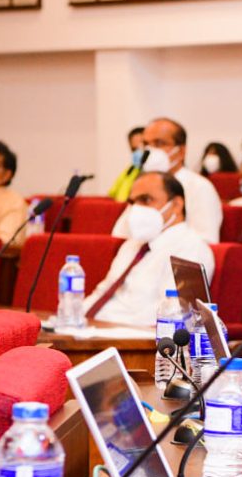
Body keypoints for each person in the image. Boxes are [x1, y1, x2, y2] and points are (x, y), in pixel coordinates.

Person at [81, 171, 213, 328]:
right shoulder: (132, 245)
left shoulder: (191, 248)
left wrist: (111, 327)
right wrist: (74, 318)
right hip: (96, 329)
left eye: (145, 200)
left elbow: (174, 313)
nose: (137, 208)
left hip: (132, 334)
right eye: (133, 202)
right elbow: (103, 291)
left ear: (177, 205)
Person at [109, 117, 222, 244]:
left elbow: (206, 240)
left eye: (159, 143)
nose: (150, 151)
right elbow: (121, 234)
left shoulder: (199, 187)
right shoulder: (142, 184)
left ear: (181, 151)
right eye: (146, 144)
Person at [106, 126, 147, 202]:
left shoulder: (154, 172)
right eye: (134, 149)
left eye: (141, 147)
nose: (138, 152)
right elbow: (112, 193)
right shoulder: (130, 169)